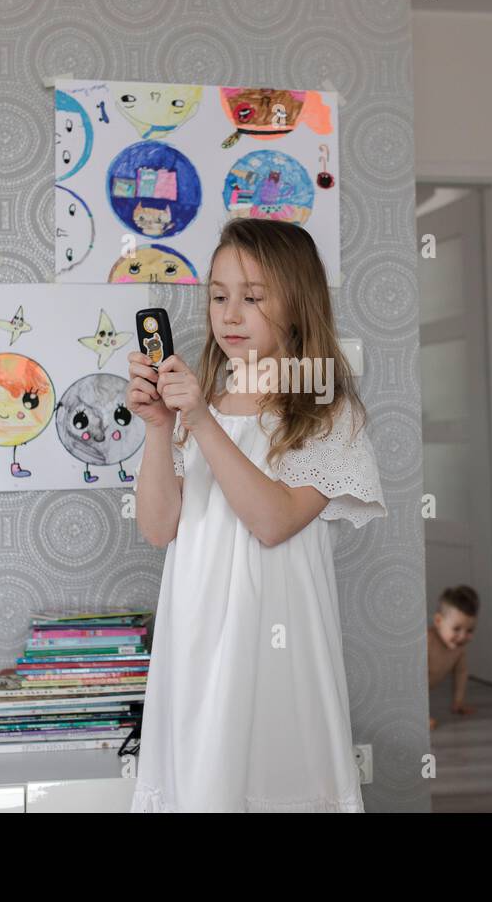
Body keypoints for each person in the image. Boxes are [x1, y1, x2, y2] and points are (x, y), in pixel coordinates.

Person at [126, 218, 386, 811]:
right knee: (202, 780)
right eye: (218, 296)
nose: (230, 314)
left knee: (275, 777)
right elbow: (158, 526)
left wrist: (199, 421)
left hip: (278, 639)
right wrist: (160, 429)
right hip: (196, 636)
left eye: (253, 297)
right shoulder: (200, 406)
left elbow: (271, 522)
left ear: (297, 305)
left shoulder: (326, 414)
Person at [427, 586, 478, 731]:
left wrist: (458, 701)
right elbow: (412, 683)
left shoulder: (458, 648)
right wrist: (419, 715)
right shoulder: (427, 641)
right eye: (456, 629)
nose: (462, 636)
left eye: (469, 630)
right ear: (438, 621)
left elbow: (461, 673)